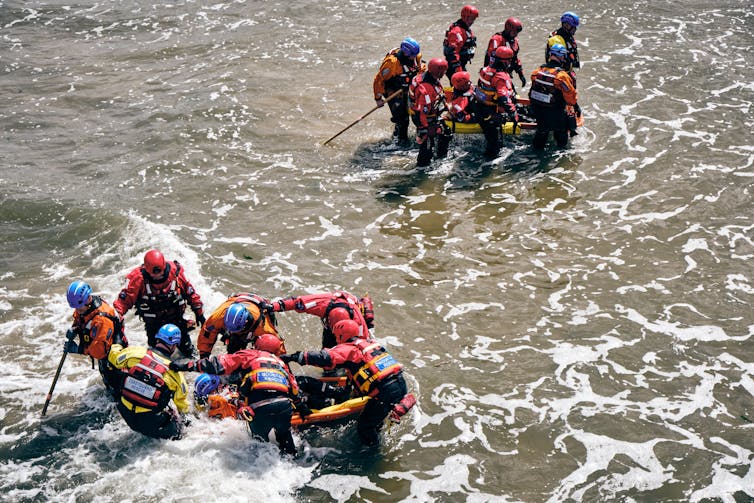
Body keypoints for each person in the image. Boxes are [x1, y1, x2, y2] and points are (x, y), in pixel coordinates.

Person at [170, 334, 311, 455]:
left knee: (260, 446)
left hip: (260, 409)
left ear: (257, 346)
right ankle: (293, 460)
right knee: (286, 441)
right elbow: (294, 388)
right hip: (284, 407)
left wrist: (186, 366)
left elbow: (218, 364)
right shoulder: (281, 363)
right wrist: (302, 407)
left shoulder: (250, 355)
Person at [281, 320, 415, 446]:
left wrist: (293, 357)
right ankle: (382, 419)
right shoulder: (371, 343)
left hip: (383, 393)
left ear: (341, 335)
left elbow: (324, 358)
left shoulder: (350, 349)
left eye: (336, 336)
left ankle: (373, 453)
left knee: (365, 427)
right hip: (400, 384)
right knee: (372, 414)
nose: (336, 339)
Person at [114, 249, 205, 358]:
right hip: (154, 324)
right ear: (147, 271)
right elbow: (123, 302)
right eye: (154, 275)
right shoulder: (137, 279)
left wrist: (199, 313)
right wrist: (116, 318)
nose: (157, 277)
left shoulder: (176, 273)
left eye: (160, 274)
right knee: (157, 357)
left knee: (189, 353)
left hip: (176, 320)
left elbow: (191, 293)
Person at [108, 324, 189, 440]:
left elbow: (114, 358)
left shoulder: (135, 353)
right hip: (151, 423)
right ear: (175, 345)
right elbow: (182, 405)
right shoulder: (176, 375)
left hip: (125, 414)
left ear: (157, 339)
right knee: (182, 430)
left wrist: (117, 342)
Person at [64, 280, 128, 399]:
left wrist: (79, 349)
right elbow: (80, 317)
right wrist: (75, 328)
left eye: (79, 307)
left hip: (113, 354)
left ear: (88, 299)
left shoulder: (101, 319)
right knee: (107, 378)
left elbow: (100, 351)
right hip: (102, 349)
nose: (77, 310)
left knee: (116, 385)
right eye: (75, 308)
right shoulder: (84, 307)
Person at [271, 290, 373, 349]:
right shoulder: (323, 304)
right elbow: (297, 303)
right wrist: (273, 306)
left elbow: (362, 348)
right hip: (334, 320)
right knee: (328, 354)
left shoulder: (359, 329)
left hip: (351, 326)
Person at [196, 292, 283, 358]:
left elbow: (277, 346)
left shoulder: (262, 327)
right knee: (233, 346)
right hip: (237, 301)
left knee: (266, 347)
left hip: (259, 312)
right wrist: (204, 357)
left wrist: (281, 364)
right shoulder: (218, 317)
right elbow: (206, 336)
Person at [373, 37, 424, 141]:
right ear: (406, 53)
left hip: (407, 88)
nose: (415, 57)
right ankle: (400, 142)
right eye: (412, 56)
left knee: (417, 114)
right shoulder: (391, 64)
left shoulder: (416, 57)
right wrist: (378, 99)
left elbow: (420, 71)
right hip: (393, 91)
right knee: (402, 119)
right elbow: (379, 81)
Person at [528, 43, 579, 149]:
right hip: (555, 111)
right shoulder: (561, 76)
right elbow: (570, 97)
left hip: (538, 110)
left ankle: (537, 151)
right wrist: (576, 106)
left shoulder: (537, 71)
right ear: (561, 56)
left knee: (541, 132)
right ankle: (562, 155)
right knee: (561, 135)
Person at [472, 46, 519, 159]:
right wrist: (513, 113)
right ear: (504, 61)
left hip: (479, 106)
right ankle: (488, 164)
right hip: (490, 112)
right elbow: (503, 98)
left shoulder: (486, 70)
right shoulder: (500, 77)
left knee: (493, 138)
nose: (509, 63)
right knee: (494, 142)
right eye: (509, 60)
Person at [410, 58, 452, 167]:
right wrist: (424, 130)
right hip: (425, 118)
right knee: (427, 144)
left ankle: (440, 157)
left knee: (445, 133)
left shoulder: (427, 76)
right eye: (443, 72)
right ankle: (422, 167)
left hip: (429, 114)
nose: (444, 74)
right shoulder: (425, 91)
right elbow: (421, 112)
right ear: (438, 72)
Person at [484, 17, 526, 89]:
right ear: (508, 30)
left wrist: (520, 74)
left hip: (506, 72)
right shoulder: (497, 40)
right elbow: (491, 59)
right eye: (514, 32)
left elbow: (514, 58)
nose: (516, 35)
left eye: (517, 33)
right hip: (495, 74)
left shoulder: (513, 41)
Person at [443, 5, 479, 80]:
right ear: (465, 17)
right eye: (472, 19)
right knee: (462, 86)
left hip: (461, 63)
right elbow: (452, 53)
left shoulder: (464, 28)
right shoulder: (457, 32)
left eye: (474, 19)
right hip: (455, 66)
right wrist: (458, 70)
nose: (472, 21)